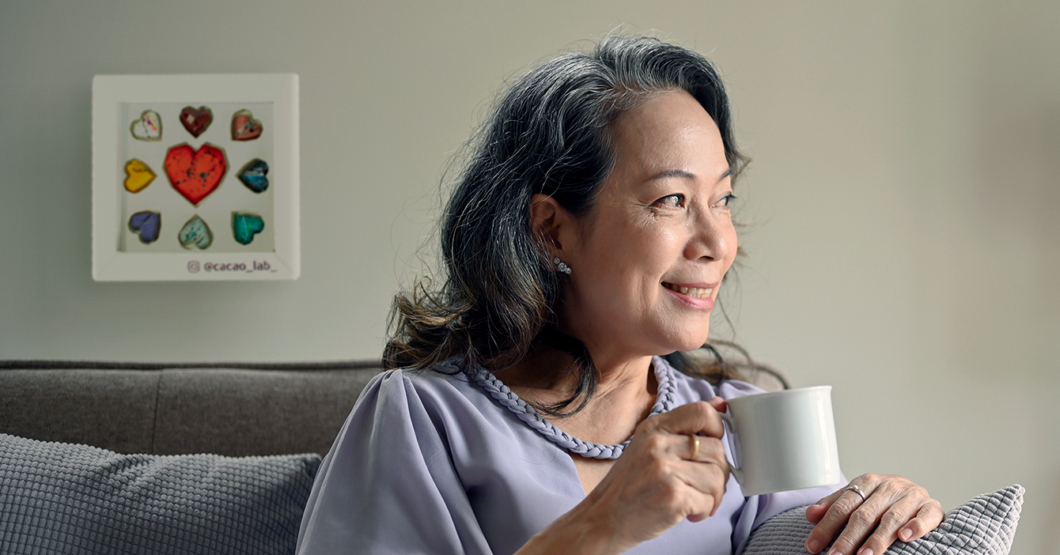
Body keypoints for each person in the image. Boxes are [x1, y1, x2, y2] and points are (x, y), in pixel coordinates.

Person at [296, 35, 943, 555]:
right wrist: (598, 526)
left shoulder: (750, 423)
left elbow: (827, 537)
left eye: (722, 199)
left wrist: (893, 513)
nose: (718, 240)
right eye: (672, 200)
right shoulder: (420, 416)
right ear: (551, 228)